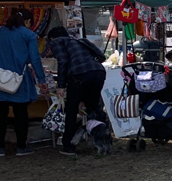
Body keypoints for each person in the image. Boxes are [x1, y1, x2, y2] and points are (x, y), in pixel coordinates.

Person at [47, 26, 107, 157]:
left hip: (79, 75)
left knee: (71, 109)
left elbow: (63, 61)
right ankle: (103, 140)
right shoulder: (80, 41)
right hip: (98, 72)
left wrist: (61, 86)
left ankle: (68, 145)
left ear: (52, 38)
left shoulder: (56, 42)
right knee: (93, 107)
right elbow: (102, 57)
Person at [0, 8, 47, 156]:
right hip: (19, 79)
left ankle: (0, 148)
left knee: (1, 115)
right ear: (27, 22)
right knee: (21, 114)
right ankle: (21, 146)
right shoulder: (28, 35)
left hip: (1, 79)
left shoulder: (1, 31)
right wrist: (41, 80)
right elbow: (35, 59)